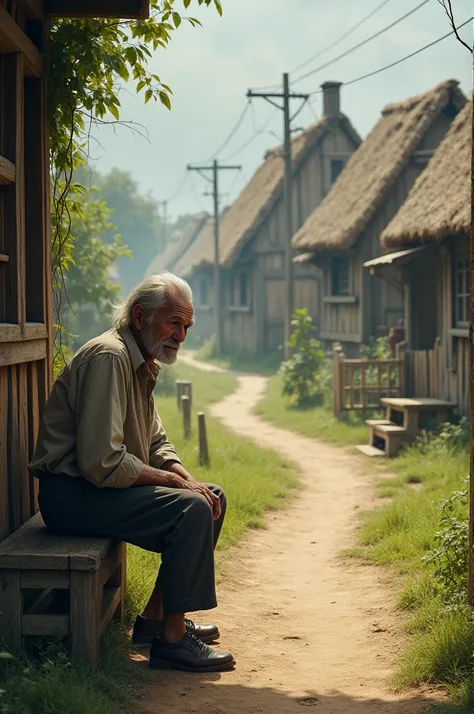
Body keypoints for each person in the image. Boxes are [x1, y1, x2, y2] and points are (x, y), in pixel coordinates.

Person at [29, 272, 235, 673]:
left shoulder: (139, 360)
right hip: (71, 496)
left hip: (94, 490)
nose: (181, 335)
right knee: (191, 509)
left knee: (211, 496)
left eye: (187, 326)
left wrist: (186, 478)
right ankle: (173, 642)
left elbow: (156, 442)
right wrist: (175, 484)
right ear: (140, 316)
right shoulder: (110, 358)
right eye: (173, 323)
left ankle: (155, 619)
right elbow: (101, 461)